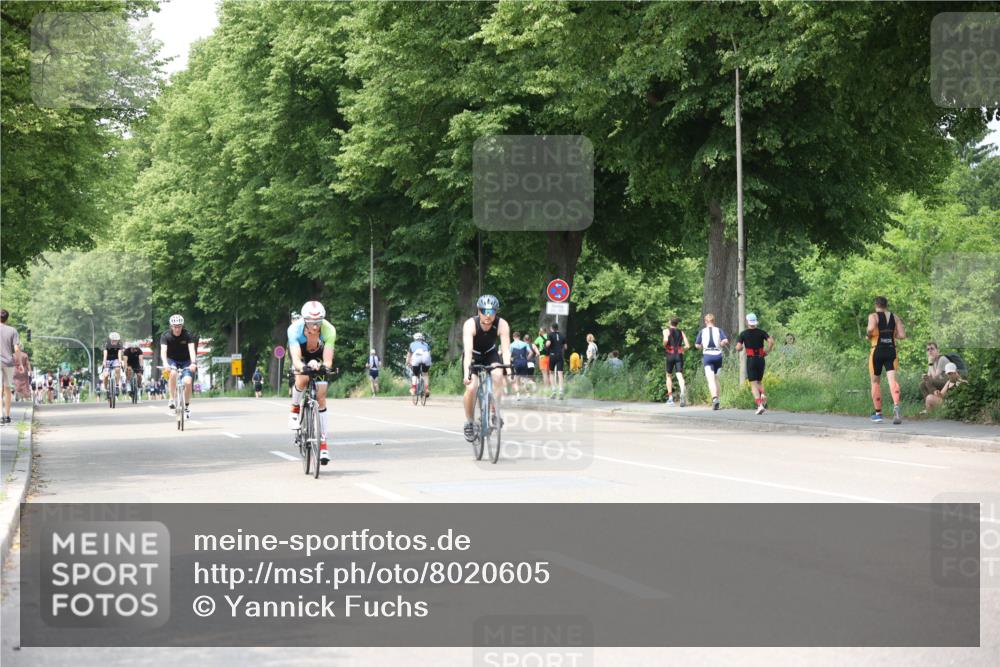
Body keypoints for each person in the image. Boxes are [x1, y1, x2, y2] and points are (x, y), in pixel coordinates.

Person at [287, 301, 336, 464]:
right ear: (304, 321)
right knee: (302, 378)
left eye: (318, 322)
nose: (315, 327)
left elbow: (328, 361)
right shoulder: (294, 330)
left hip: (319, 356)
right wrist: (304, 366)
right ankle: (294, 410)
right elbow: (295, 359)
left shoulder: (329, 330)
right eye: (311, 323)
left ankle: (323, 445)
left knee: (321, 397)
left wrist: (321, 366)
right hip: (301, 356)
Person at [462, 294, 512, 441]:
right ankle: (469, 422)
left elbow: (506, 349)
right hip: (474, 356)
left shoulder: (502, 324)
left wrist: (509, 371)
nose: (488, 315)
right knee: (472, 387)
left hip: (491, 354)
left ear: (496, 312)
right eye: (484, 311)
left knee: (498, 375)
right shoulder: (470, 324)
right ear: (479, 311)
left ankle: (494, 412)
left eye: (491, 312)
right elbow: (468, 351)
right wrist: (467, 373)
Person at [866, 296, 906, 424]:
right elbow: (902, 335)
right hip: (891, 350)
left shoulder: (873, 316)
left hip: (876, 351)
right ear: (886, 305)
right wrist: (891, 334)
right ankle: (896, 407)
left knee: (875, 382)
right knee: (892, 381)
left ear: (876, 305)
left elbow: (871, 329)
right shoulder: (895, 317)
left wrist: (868, 335)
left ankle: (878, 414)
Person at [160, 314, 199, 420]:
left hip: (186, 361)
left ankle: (186, 406)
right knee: (172, 373)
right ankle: (172, 399)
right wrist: (165, 364)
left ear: (182, 326)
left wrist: (193, 363)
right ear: (171, 326)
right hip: (172, 360)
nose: (177, 329)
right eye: (175, 326)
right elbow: (163, 351)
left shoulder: (188, 335)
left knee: (187, 382)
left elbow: (192, 350)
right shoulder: (165, 335)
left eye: (179, 326)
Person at [735, 313, 775, 415]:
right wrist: (767, 351)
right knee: (759, 381)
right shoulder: (761, 332)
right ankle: (762, 395)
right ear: (755, 321)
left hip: (751, 359)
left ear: (747, 322)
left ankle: (759, 405)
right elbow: (771, 341)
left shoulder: (743, 334)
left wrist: (740, 348)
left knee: (753, 383)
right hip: (761, 359)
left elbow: (738, 347)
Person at [694, 313, 729, 410]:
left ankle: (714, 399)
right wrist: (722, 343)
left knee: (710, 380)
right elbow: (725, 340)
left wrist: (701, 346)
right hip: (718, 356)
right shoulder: (719, 330)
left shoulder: (702, 331)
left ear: (705, 321)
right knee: (716, 379)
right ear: (714, 321)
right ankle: (718, 401)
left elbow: (697, 345)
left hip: (708, 356)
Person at [661, 317, 690, 407]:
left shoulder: (666, 331)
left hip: (670, 354)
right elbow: (688, 346)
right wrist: (681, 349)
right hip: (679, 355)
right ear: (677, 324)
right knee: (679, 374)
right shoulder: (681, 332)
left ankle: (670, 399)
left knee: (669, 375)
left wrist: (664, 345)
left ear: (670, 322)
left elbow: (666, 340)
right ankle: (682, 393)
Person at [0, 309, 21, 424]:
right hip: (8, 363)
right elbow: (17, 349)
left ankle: (0, 415)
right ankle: (7, 416)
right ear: (7, 319)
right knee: (7, 389)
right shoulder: (13, 330)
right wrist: (20, 363)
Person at [545, 322, 568, 399]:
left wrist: (546, 345)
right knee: (560, 373)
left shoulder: (550, 335)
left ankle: (554, 391)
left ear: (551, 328)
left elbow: (548, 344)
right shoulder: (562, 335)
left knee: (551, 372)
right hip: (560, 356)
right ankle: (561, 391)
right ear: (557, 328)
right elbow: (565, 347)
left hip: (552, 355)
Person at [101, 332, 124, 403]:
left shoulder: (119, 345)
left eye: (116, 340)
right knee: (106, 375)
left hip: (115, 360)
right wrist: (104, 362)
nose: (115, 342)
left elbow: (119, 354)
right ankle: (106, 389)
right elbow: (105, 354)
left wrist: (120, 362)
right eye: (114, 340)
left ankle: (116, 385)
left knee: (117, 369)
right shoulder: (107, 344)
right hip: (107, 360)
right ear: (110, 339)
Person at [407, 333, 432, 398]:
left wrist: (408, 362)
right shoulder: (426, 344)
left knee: (414, 374)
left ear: (415, 338)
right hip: (426, 356)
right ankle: (426, 389)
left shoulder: (412, 344)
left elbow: (409, 355)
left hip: (416, 356)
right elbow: (429, 354)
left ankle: (414, 388)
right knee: (425, 374)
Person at [509, 331, 533, 399]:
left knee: (517, 378)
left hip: (516, 362)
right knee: (525, 378)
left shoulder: (511, 345)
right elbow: (531, 352)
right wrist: (527, 359)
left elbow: (509, 356)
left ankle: (518, 394)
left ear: (513, 337)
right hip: (524, 362)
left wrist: (511, 360)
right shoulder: (525, 344)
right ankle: (528, 393)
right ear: (519, 337)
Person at [534, 327, 550, 394]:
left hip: (543, 357)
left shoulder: (539, 338)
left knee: (544, 374)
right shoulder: (549, 336)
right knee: (550, 373)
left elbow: (534, 344)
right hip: (550, 357)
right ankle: (552, 388)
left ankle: (546, 389)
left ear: (541, 331)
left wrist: (537, 352)